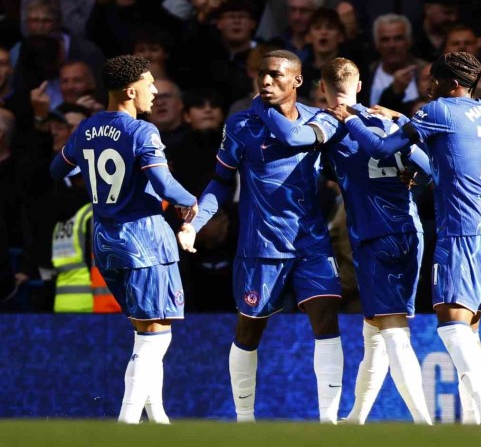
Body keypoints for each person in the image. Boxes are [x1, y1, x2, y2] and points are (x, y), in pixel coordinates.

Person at [326, 51, 481, 426]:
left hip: (463, 226)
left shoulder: (438, 110)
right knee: (470, 330)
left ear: (452, 84)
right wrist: (399, 118)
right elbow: (440, 151)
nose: (428, 88)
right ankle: (475, 421)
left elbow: (381, 148)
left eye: (434, 80)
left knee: (452, 323)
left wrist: (350, 119)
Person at [248, 57, 433, 425]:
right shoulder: (384, 119)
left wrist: (261, 107)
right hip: (410, 231)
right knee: (374, 331)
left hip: (374, 235)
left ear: (321, 88)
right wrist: (412, 178)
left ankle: (424, 423)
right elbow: (428, 169)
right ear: (359, 86)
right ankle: (356, 418)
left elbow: (295, 138)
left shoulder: (331, 123)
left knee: (393, 330)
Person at [177, 50, 344, 424]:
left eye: (275, 75)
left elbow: (337, 167)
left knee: (326, 321)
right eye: (261, 75)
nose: (266, 81)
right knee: (249, 330)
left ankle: (330, 422)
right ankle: (244, 419)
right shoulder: (240, 125)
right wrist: (194, 224)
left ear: (297, 80)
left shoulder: (319, 120)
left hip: (311, 243)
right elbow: (220, 182)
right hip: (261, 247)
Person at [49, 54, 198, 424]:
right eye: (149, 84)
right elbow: (164, 184)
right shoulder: (142, 131)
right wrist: (190, 200)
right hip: (143, 239)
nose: (155, 91)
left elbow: (57, 169)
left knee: (145, 331)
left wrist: (93, 170)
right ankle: (126, 422)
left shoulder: (86, 128)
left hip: (105, 241)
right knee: (157, 335)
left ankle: (158, 419)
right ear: (131, 91)